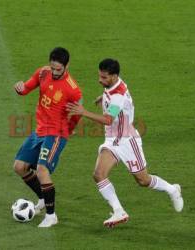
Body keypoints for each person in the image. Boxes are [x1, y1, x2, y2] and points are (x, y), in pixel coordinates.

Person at [66, 58, 183, 228]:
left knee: (143, 180)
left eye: (104, 77)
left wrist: (84, 112)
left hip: (128, 141)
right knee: (98, 174)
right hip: (112, 140)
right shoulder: (114, 86)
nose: (100, 80)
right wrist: (103, 97)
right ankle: (119, 211)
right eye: (99, 76)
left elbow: (108, 119)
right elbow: (115, 94)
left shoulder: (118, 96)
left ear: (114, 76)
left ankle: (172, 189)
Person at [13, 47, 82, 227]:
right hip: (39, 130)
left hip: (56, 133)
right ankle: (43, 199)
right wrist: (19, 88)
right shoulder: (43, 73)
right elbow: (26, 88)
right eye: (53, 68)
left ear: (67, 65)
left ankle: (51, 216)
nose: (55, 72)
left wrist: (69, 128)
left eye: (58, 69)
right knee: (20, 167)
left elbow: (77, 114)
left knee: (42, 170)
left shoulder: (73, 90)